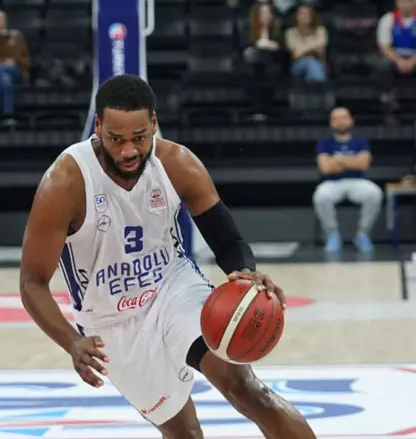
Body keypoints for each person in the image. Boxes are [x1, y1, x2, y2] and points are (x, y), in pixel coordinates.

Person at [19, 75, 316, 438]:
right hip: (110, 321)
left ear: (154, 124)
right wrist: (72, 341)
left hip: (173, 289)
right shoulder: (65, 183)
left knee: (248, 390)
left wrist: (245, 272)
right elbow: (32, 282)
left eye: (139, 137)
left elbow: (227, 240)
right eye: (116, 139)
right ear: (97, 127)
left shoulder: (177, 163)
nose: (129, 150)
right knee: (184, 434)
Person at [312, 107, 382, 253]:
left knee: (374, 194)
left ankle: (363, 234)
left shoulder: (360, 141)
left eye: (344, 117)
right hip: (332, 182)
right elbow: (325, 168)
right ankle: (332, 234)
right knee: (321, 196)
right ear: (331, 123)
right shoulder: (325, 143)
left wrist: (337, 161)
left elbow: (363, 164)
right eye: (336, 119)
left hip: (357, 181)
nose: (340, 122)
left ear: (351, 120)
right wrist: (352, 161)